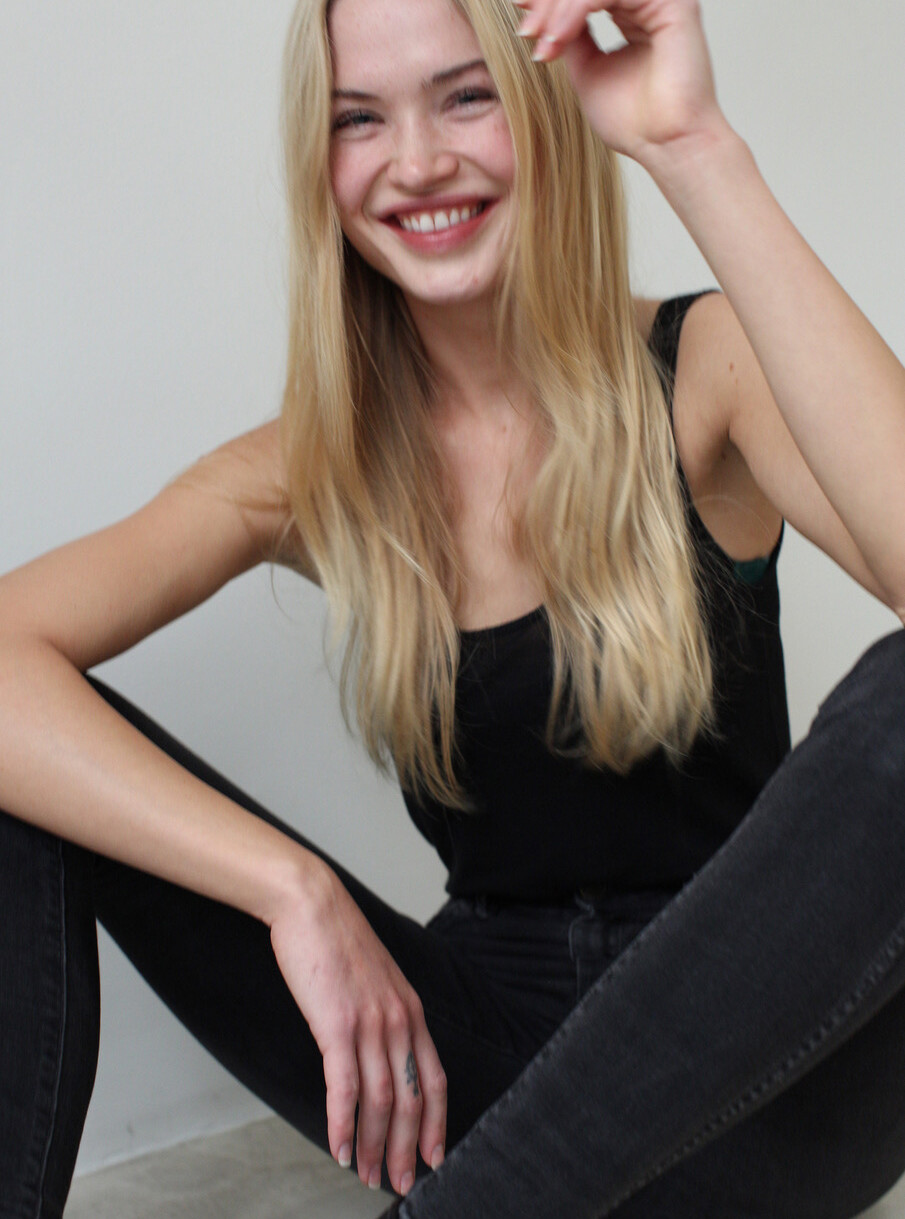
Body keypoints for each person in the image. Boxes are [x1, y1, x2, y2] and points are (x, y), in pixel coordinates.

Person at [2, 0, 905, 1216]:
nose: (416, 161)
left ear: (544, 106)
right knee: (31, 780)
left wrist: (692, 144)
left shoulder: (704, 371)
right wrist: (289, 887)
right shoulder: (317, 468)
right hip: (482, 1063)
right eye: (357, 120)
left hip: (767, 1066)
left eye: (465, 96)